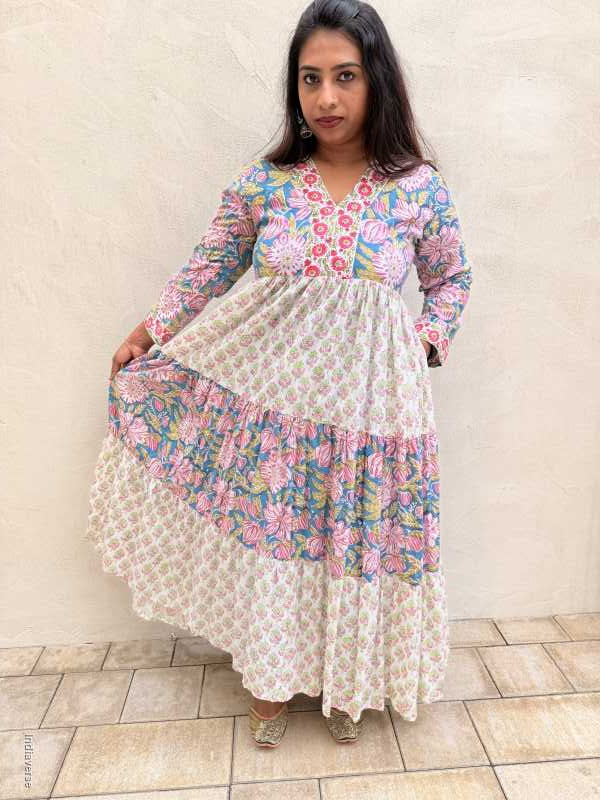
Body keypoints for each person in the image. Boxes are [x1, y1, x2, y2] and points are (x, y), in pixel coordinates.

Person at [86, 0, 473, 749]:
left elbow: (451, 277)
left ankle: (343, 681)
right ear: (294, 89)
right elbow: (211, 267)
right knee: (277, 539)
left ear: (377, 83)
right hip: (276, 408)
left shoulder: (415, 187)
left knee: (351, 541)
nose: (326, 98)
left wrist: (423, 340)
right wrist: (152, 330)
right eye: (309, 79)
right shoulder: (266, 186)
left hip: (371, 416)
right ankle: (269, 677)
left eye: (345, 77)